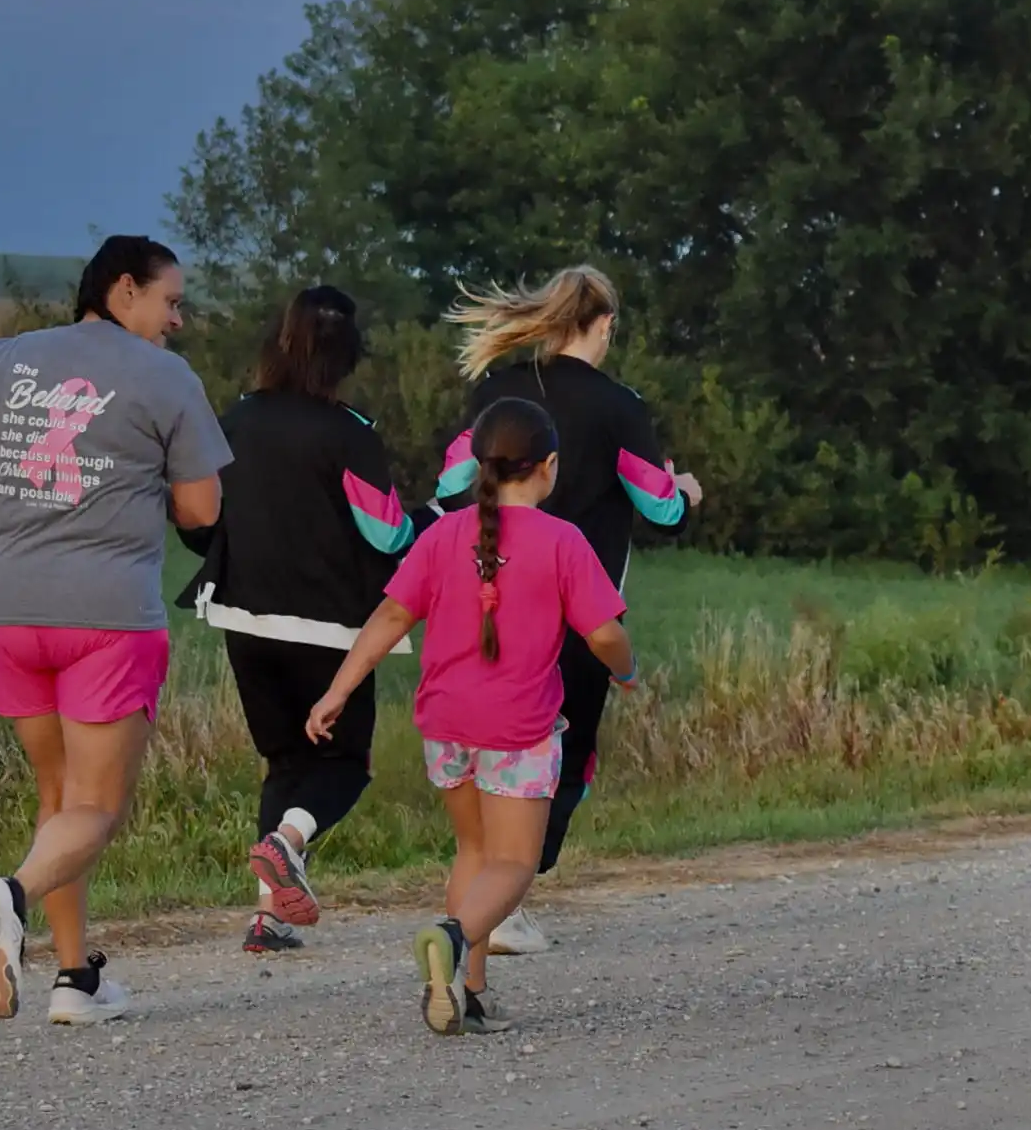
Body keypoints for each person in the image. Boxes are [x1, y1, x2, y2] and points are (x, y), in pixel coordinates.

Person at [0, 235, 232, 1026]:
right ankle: (6, 896)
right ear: (124, 291)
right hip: (108, 615)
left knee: (58, 800)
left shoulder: (2, 358)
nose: (177, 320)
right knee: (96, 808)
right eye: (170, 300)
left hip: (9, 607)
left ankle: (74, 980)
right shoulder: (167, 378)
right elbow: (202, 511)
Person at [310, 399, 638, 1033]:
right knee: (513, 863)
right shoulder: (562, 540)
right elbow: (603, 634)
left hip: (446, 723)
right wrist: (626, 670)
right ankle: (453, 938)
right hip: (518, 730)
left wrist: (337, 691)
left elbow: (390, 617)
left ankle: (471, 993)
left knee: (474, 849)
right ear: (548, 466)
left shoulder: (441, 534)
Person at [439, 267, 700, 953]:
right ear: (605, 324)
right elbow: (661, 509)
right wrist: (686, 491)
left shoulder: (496, 389)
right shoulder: (620, 406)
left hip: (485, 605)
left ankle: (480, 894)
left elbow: (449, 483)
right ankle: (506, 903)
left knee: (488, 753)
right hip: (575, 617)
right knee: (565, 757)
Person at [178, 286, 418, 953]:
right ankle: (288, 842)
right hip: (330, 629)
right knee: (346, 763)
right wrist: (427, 520)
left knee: (283, 760)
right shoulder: (350, 432)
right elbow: (384, 532)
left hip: (242, 615)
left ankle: (268, 919)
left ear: (278, 344)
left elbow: (200, 511)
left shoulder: (237, 419)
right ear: (348, 357)